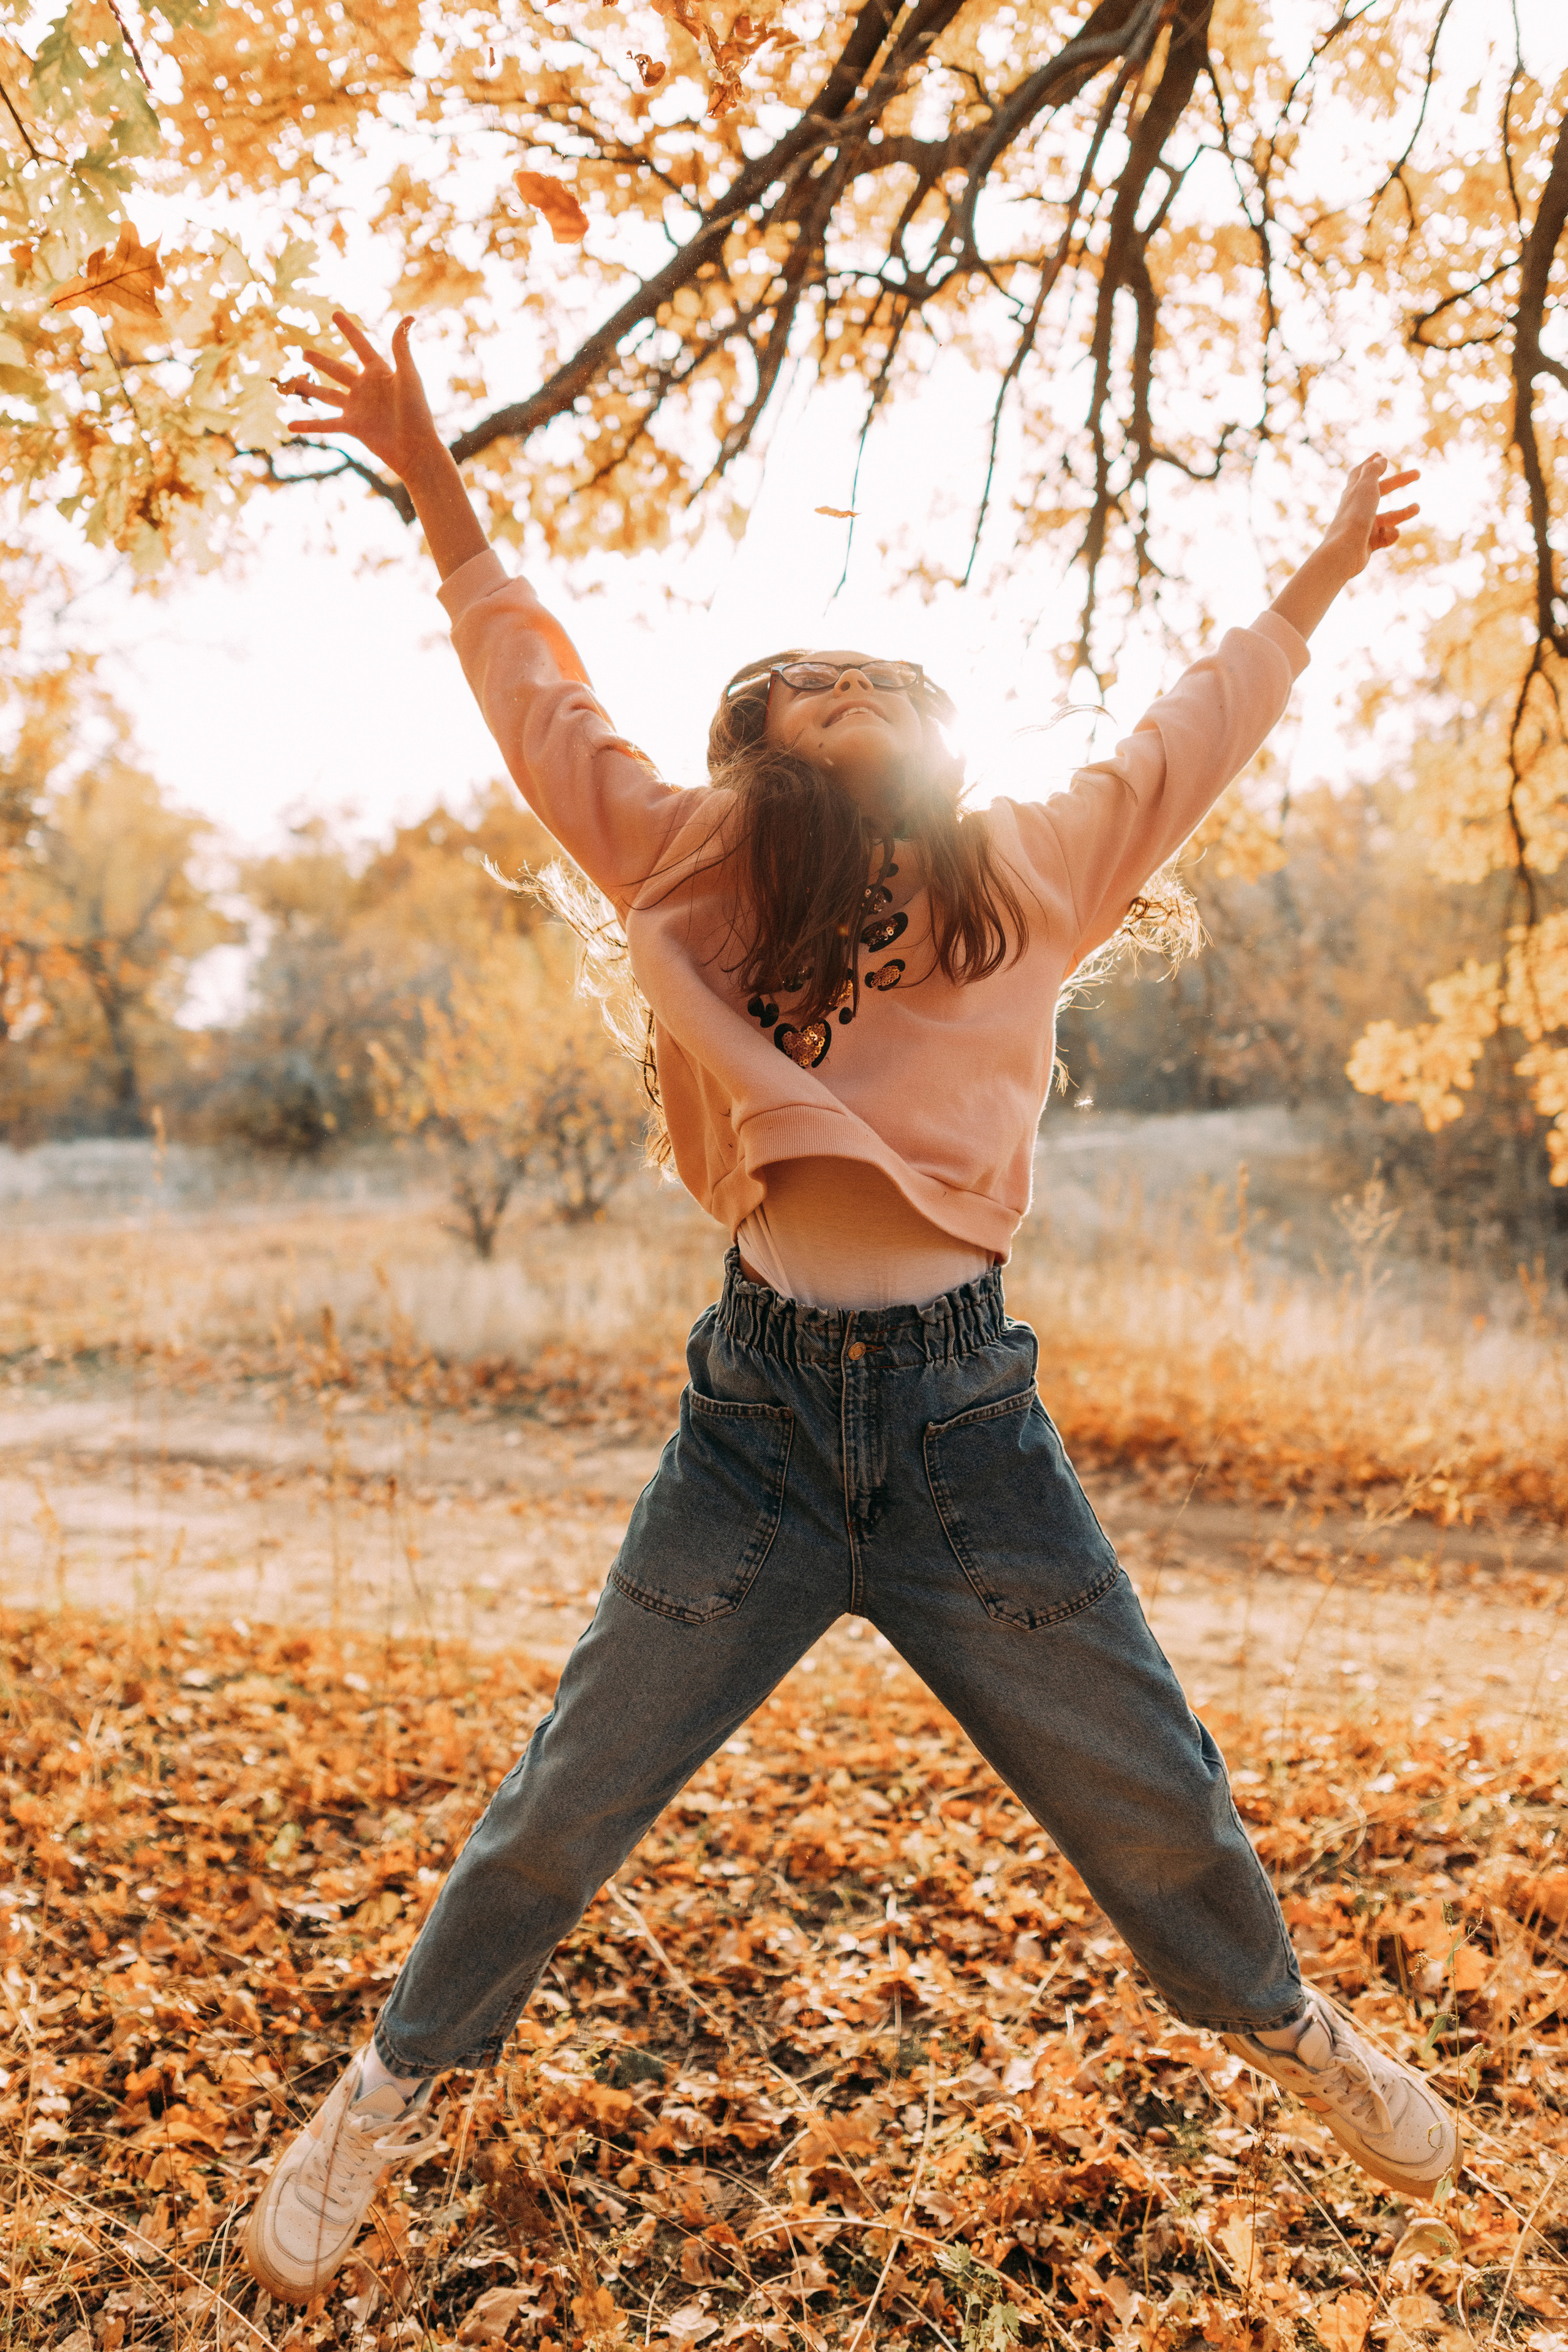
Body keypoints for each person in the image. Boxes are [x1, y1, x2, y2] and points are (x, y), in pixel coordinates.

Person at [243, 314, 1452, 2305]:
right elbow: (529, 685)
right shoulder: (684, 869)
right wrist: (430, 472)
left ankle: (1287, 2024)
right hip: (763, 1432)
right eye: (798, 678)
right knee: (566, 1802)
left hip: (971, 1429)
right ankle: (378, 2094)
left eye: (875, 675)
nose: (844, 673)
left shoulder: (1027, 872)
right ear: (754, 752)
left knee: (1148, 1787)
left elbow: (1187, 733)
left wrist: (1316, 579)